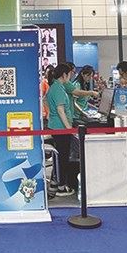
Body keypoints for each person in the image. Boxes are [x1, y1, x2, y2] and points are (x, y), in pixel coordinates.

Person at [46, 63, 77, 196]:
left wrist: (49, 113)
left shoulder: (55, 87)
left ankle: (55, 183)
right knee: (62, 158)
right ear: (64, 75)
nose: (70, 77)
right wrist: (69, 128)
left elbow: (45, 101)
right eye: (69, 74)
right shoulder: (58, 89)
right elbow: (60, 110)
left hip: (56, 126)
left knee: (59, 157)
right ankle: (61, 187)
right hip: (61, 128)